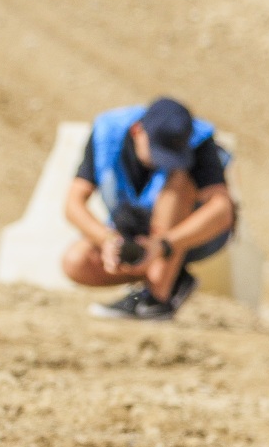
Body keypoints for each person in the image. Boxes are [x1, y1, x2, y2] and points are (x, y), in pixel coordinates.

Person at [63, 97, 235, 321]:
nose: (163, 162)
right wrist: (106, 240)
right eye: (158, 151)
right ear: (137, 131)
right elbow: (73, 203)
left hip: (187, 239)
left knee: (181, 181)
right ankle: (172, 280)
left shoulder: (199, 139)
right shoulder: (107, 131)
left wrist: (164, 245)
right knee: (75, 262)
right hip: (132, 232)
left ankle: (156, 298)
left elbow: (222, 210)